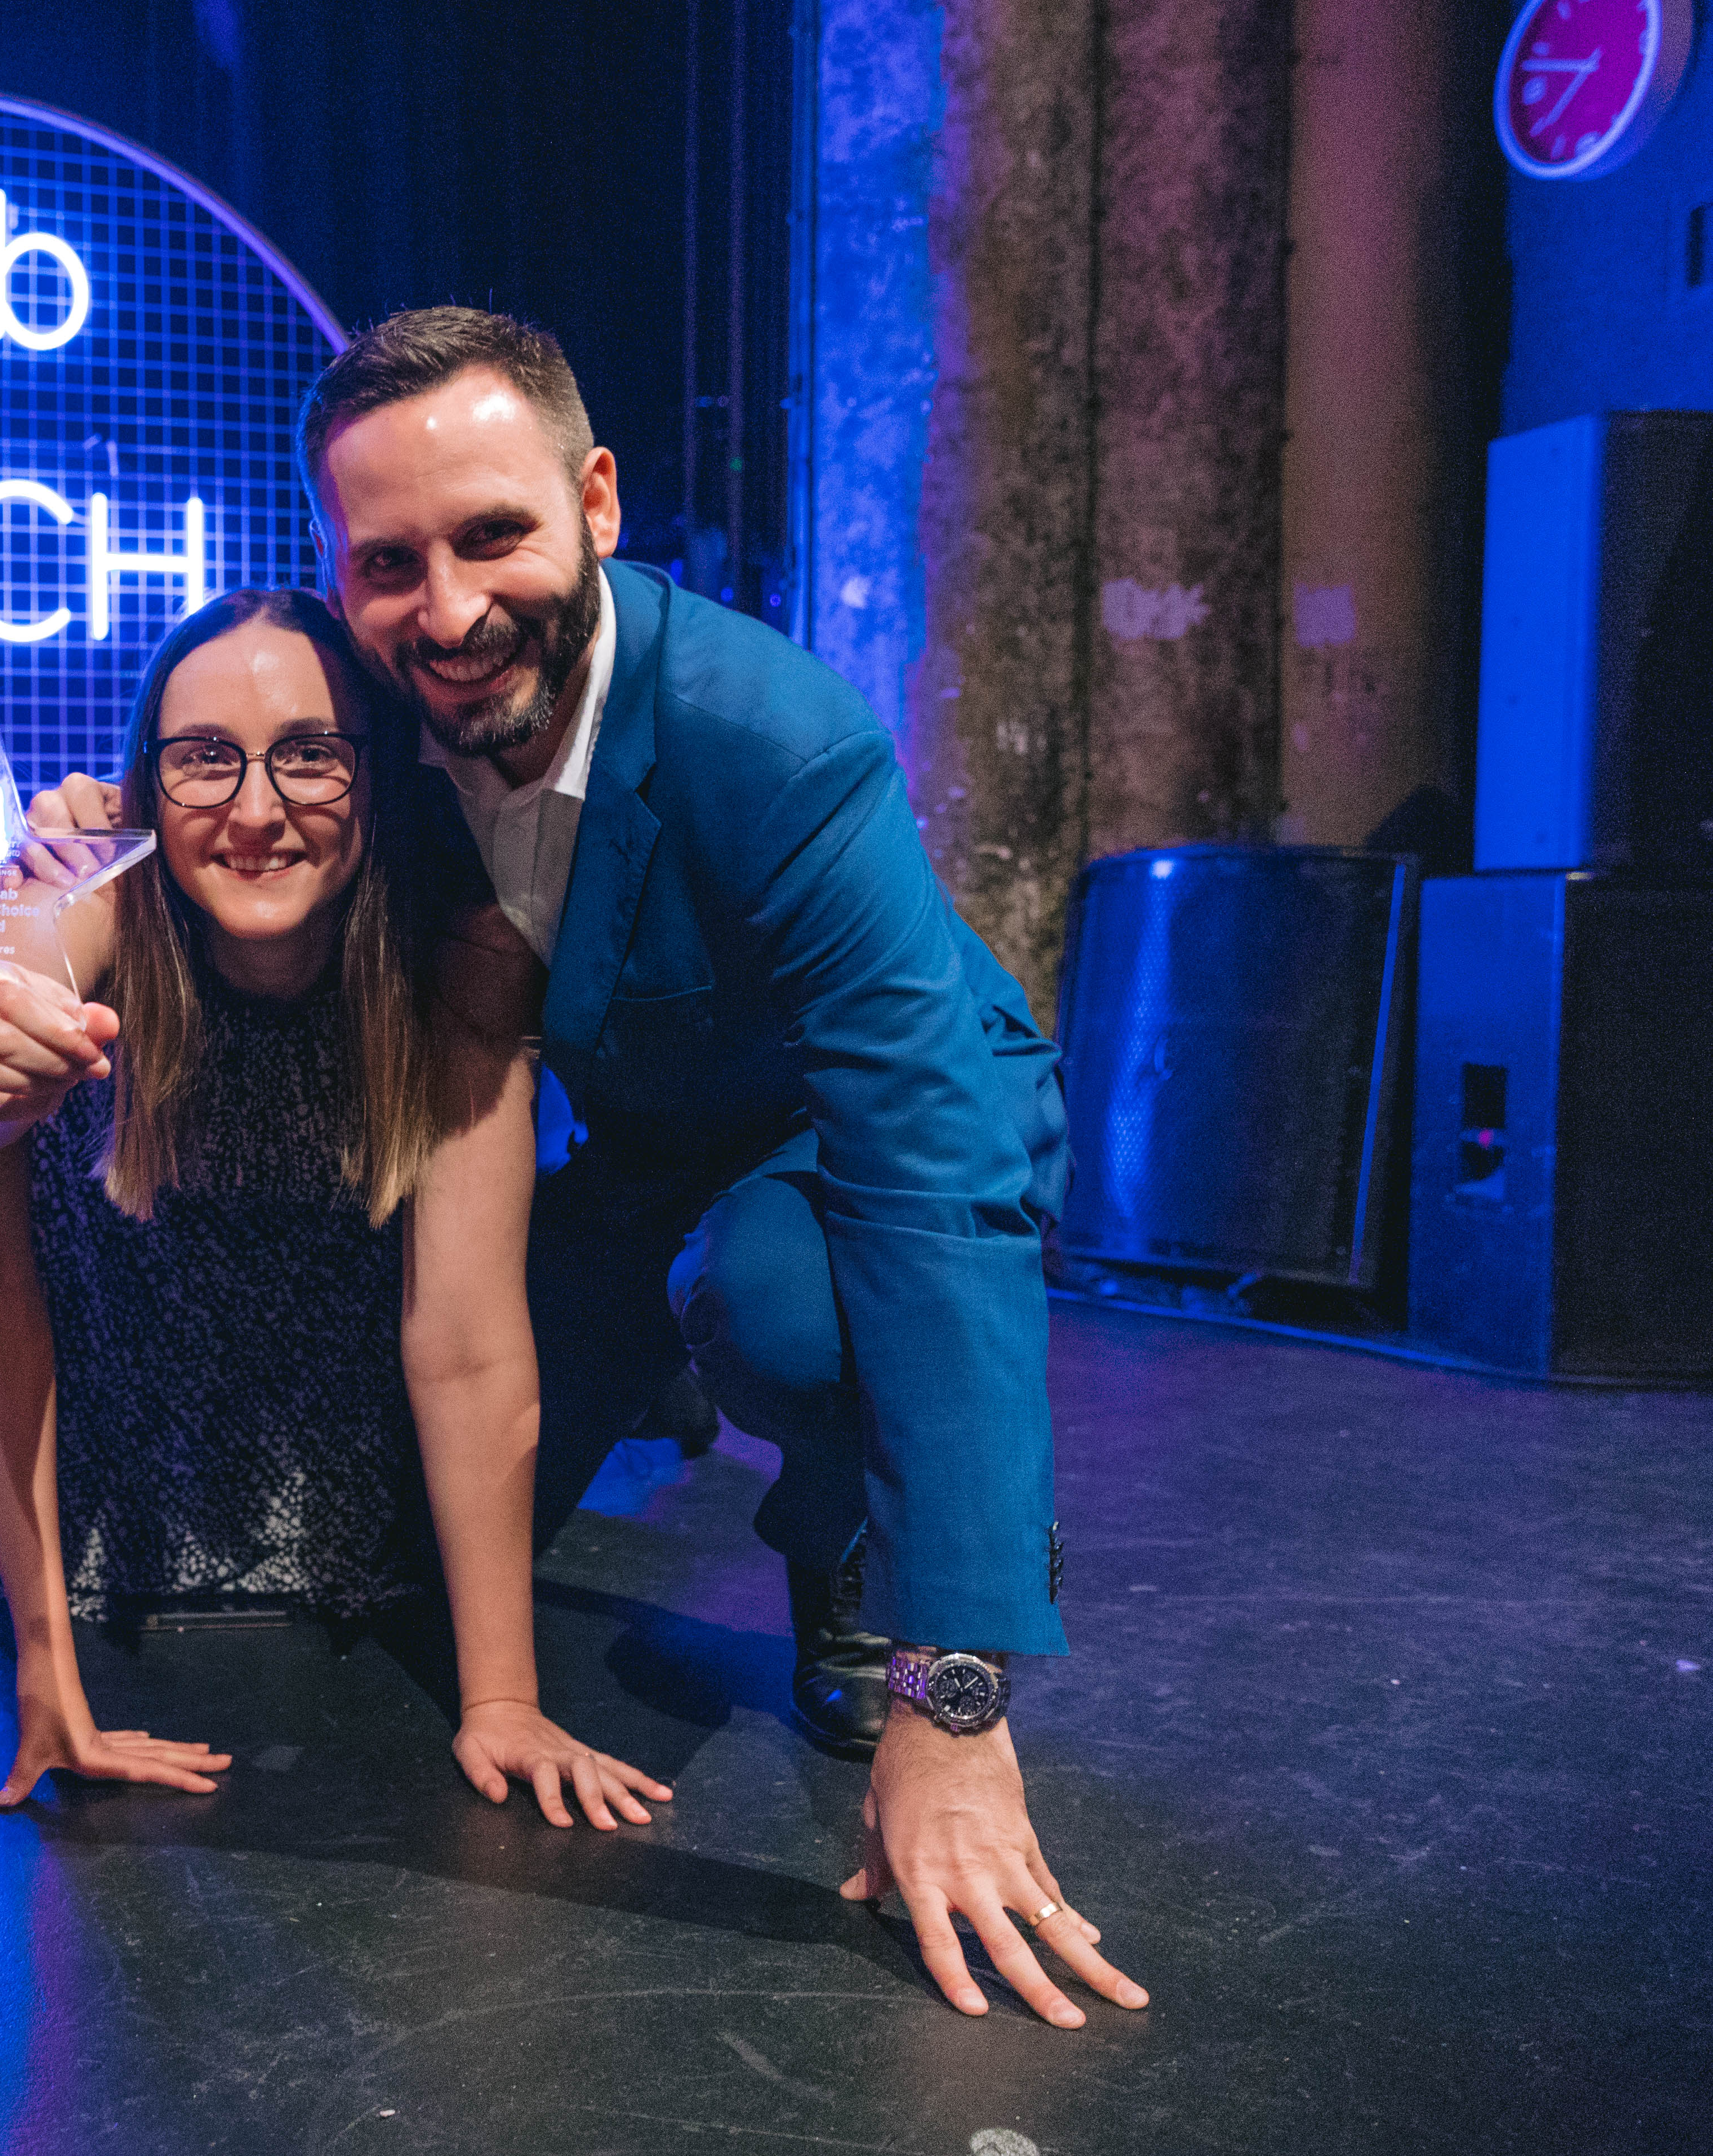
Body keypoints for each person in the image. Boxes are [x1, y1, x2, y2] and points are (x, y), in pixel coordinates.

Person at [297, 305, 1147, 2029]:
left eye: (492, 535)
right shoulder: (379, 716)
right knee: (406, 1536)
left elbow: (929, 1176)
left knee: (791, 1310)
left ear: (595, 500)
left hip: (873, 1121)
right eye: (389, 561)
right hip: (656, 1128)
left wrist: (953, 1689)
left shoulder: (770, 729)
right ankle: (665, 1362)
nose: (446, 609)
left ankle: (843, 1547)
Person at [0, 589, 672, 1832]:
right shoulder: (88, 890)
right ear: (145, 782)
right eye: (203, 757)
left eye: (310, 753)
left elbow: (469, 1337)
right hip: (102, 1521)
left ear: (379, 775)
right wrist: (44, 1674)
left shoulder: (454, 959)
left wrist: (502, 1698)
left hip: (360, 1538)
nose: (255, 808)